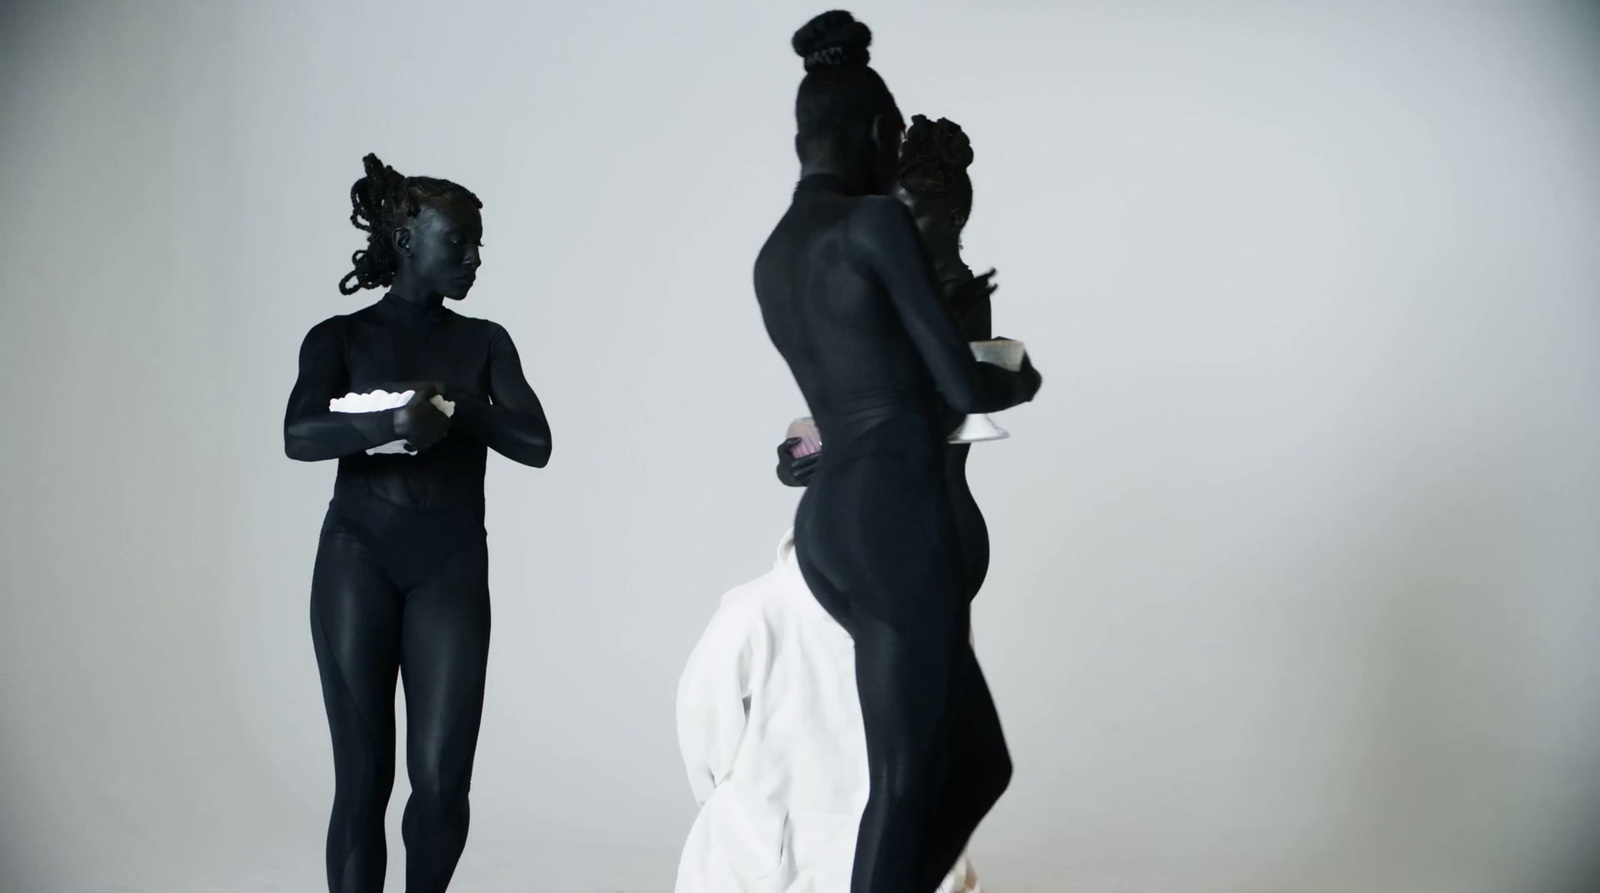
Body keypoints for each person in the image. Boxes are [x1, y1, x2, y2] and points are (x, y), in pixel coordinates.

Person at [752, 12, 1042, 893]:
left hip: (832, 518)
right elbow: (958, 382)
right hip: (895, 515)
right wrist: (1020, 376)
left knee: (977, 762)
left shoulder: (773, 255)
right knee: (907, 781)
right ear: (878, 135)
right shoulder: (873, 224)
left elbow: (856, 383)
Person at [283, 153, 551, 893]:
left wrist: (456, 408)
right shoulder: (338, 338)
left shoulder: (485, 342)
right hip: (358, 555)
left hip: (450, 561)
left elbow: (537, 444)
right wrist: (390, 422)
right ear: (407, 242)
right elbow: (298, 434)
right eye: (458, 241)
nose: (473, 257)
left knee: (439, 782)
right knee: (364, 778)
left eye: (476, 243)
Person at [673, 524, 981, 893]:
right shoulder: (753, 613)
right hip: (845, 852)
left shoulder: (752, 611)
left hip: (768, 855)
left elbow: (703, 740)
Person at [779, 113, 996, 603]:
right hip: (863, 528)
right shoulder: (887, 294)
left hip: (926, 531)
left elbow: (905, 418)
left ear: (954, 218)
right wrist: (798, 457)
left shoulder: (956, 299)